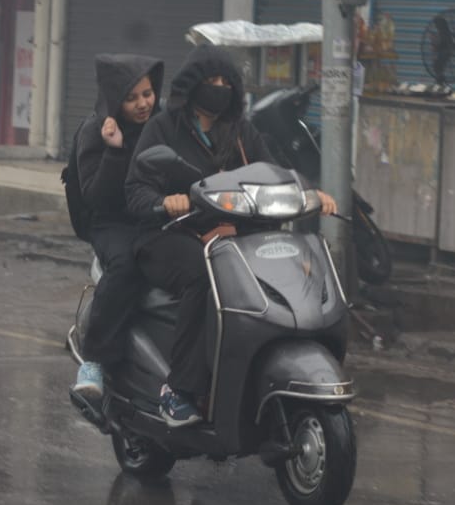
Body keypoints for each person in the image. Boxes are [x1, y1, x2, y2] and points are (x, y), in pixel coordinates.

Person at [125, 45, 337, 427]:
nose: (219, 88)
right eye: (212, 81)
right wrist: (165, 202)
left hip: (228, 235)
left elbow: (273, 170)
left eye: (226, 82)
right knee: (202, 276)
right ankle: (178, 390)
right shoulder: (164, 127)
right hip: (167, 234)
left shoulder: (241, 131)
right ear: (193, 84)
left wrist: (309, 193)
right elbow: (136, 190)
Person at [71, 53, 164, 400]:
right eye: (131, 97)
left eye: (148, 94)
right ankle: (94, 361)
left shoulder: (164, 124)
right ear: (115, 99)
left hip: (156, 216)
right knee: (126, 264)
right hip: (113, 222)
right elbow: (97, 198)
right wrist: (115, 150)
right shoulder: (95, 130)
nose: (143, 104)